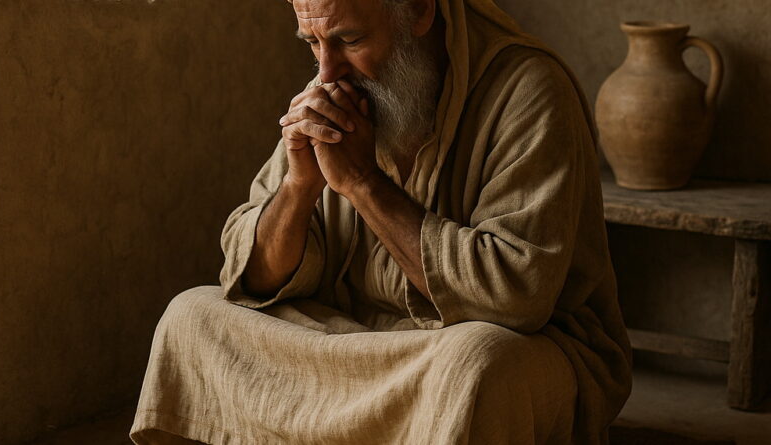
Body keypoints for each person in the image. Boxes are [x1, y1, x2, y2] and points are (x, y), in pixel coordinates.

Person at [130, 0, 632, 443]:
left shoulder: (528, 89)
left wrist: (364, 184)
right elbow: (253, 278)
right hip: (358, 342)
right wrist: (299, 189)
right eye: (313, 42)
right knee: (190, 317)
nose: (326, 72)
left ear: (418, 10)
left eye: (349, 39)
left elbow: (515, 297)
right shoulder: (335, 87)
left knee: (476, 366)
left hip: (486, 349)